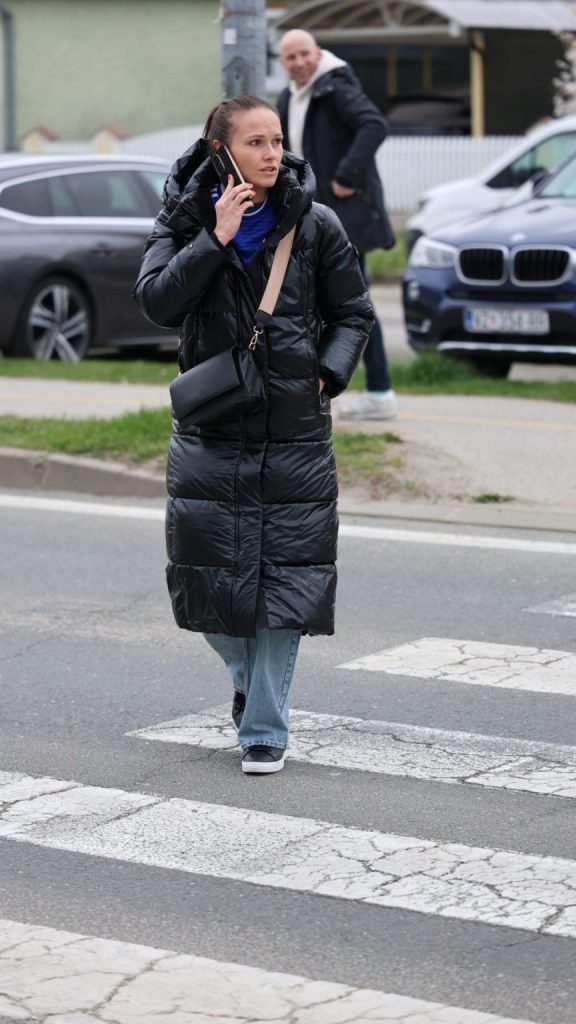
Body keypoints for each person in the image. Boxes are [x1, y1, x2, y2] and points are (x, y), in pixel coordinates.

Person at [133, 95, 373, 775]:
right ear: (222, 152)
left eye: (277, 140)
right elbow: (157, 303)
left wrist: (325, 375)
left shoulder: (315, 222)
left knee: (285, 587)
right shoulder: (183, 220)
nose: (273, 154)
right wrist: (214, 238)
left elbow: (353, 313)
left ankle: (264, 727)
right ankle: (247, 680)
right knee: (207, 585)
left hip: (294, 433)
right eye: (256, 142)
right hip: (212, 431)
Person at [277, 28, 397, 421]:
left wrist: (345, 176)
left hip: (346, 219)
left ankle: (379, 393)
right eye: (291, 57)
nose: (299, 62)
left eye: (304, 54)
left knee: (353, 306)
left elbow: (374, 125)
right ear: (282, 62)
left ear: (318, 53)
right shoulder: (289, 98)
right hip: (313, 218)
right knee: (320, 304)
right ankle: (322, 390)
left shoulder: (336, 88)